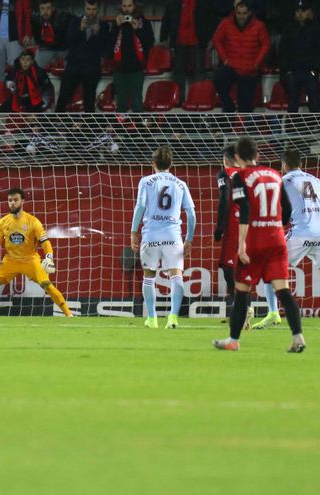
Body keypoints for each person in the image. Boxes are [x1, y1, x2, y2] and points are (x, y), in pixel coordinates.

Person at [213, 137, 305, 353]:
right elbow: (288, 209)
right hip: (277, 239)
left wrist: (242, 243)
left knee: (242, 290)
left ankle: (233, 340)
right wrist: (275, 225)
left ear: (237, 157)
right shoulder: (275, 175)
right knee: (283, 291)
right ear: (258, 155)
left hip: (255, 240)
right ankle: (298, 337)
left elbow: (244, 209)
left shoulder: (240, 177)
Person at [255, 149, 320, 330]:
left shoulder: (283, 181)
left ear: (284, 165)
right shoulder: (316, 180)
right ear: (301, 164)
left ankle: (273, 313)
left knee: (267, 265)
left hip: (302, 233)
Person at [0, 187, 72, 317]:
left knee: (47, 285)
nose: (12, 203)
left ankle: (69, 315)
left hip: (30, 260)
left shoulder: (33, 221)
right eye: (10, 200)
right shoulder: (3, 222)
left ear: (22, 201)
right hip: (10, 261)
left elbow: (45, 241)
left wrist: (49, 257)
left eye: (15, 200)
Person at [130, 146, 196, 329]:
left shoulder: (146, 181)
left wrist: (133, 231)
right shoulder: (181, 184)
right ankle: (173, 317)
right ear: (171, 164)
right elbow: (191, 214)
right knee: (177, 275)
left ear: (153, 164)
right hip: (173, 235)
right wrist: (189, 238)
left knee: (148, 276)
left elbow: (140, 205)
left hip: (150, 233)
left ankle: (152, 319)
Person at [213, 144, 253, 327]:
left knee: (230, 271)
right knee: (242, 268)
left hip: (234, 226)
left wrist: (220, 227)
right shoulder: (249, 175)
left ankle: (242, 309)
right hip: (251, 226)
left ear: (226, 160)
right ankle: (244, 308)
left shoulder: (224, 174)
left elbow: (224, 198)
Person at [212, 0, 270, 113]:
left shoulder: (259, 26)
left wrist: (256, 63)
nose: (241, 16)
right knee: (218, 79)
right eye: (239, 13)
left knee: (245, 105)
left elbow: (266, 44)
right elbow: (216, 40)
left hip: (250, 69)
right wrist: (225, 59)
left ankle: (245, 128)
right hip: (232, 66)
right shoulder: (226, 23)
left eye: (244, 13)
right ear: (235, 12)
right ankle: (228, 108)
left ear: (249, 13)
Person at [54, 0, 107, 113]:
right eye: (88, 9)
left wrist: (97, 33)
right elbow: (68, 41)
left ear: (97, 9)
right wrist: (80, 29)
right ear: (84, 8)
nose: (91, 12)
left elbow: (104, 49)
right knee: (63, 98)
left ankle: (89, 129)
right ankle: (55, 126)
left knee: (89, 102)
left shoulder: (103, 25)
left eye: (93, 9)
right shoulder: (75, 21)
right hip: (74, 65)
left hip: (92, 67)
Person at [278, 1, 320, 113]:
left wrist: (315, 68)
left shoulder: (316, 28)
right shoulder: (288, 28)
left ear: (309, 12)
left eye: (303, 11)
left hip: (310, 70)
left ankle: (318, 127)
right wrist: (288, 70)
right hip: (293, 71)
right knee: (292, 102)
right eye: (297, 11)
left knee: (315, 102)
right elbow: (282, 51)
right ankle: (292, 129)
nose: (300, 14)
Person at [159, 0, 213, 98]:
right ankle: (179, 100)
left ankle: (199, 99)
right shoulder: (173, 2)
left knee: (199, 72)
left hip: (198, 42)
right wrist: (163, 37)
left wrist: (211, 38)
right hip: (179, 42)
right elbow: (166, 19)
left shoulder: (204, 2)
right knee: (179, 73)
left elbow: (210, 19)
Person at [109, 0, 154, 112]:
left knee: (137, 103)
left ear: (134, 6)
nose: (126, 9)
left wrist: (138, 30)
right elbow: (109, 45)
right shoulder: (117, 22)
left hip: (136, 69)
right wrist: (116, 27)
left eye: (129, 6)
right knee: (121, 104)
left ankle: (138, 128)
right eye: (124, 6)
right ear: (121, 7)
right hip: (119, 69)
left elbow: (149, 42)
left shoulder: (143, 22)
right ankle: (120, 129)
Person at [0, 0, 32, 82]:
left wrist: (27, 33)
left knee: (16, 68)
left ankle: (16, 92)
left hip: (14, 37)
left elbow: (27, 15)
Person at [31, 0, 70, 69]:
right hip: (46, 47)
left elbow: (67, 37)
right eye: (42, 8)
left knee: (73, 67)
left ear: (53, 8)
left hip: (63, 48)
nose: (45, 12)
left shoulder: (63, 16)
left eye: (48, 8)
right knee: (35, 69)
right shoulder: (36, 18)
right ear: (39, 8)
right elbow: (37, 39)